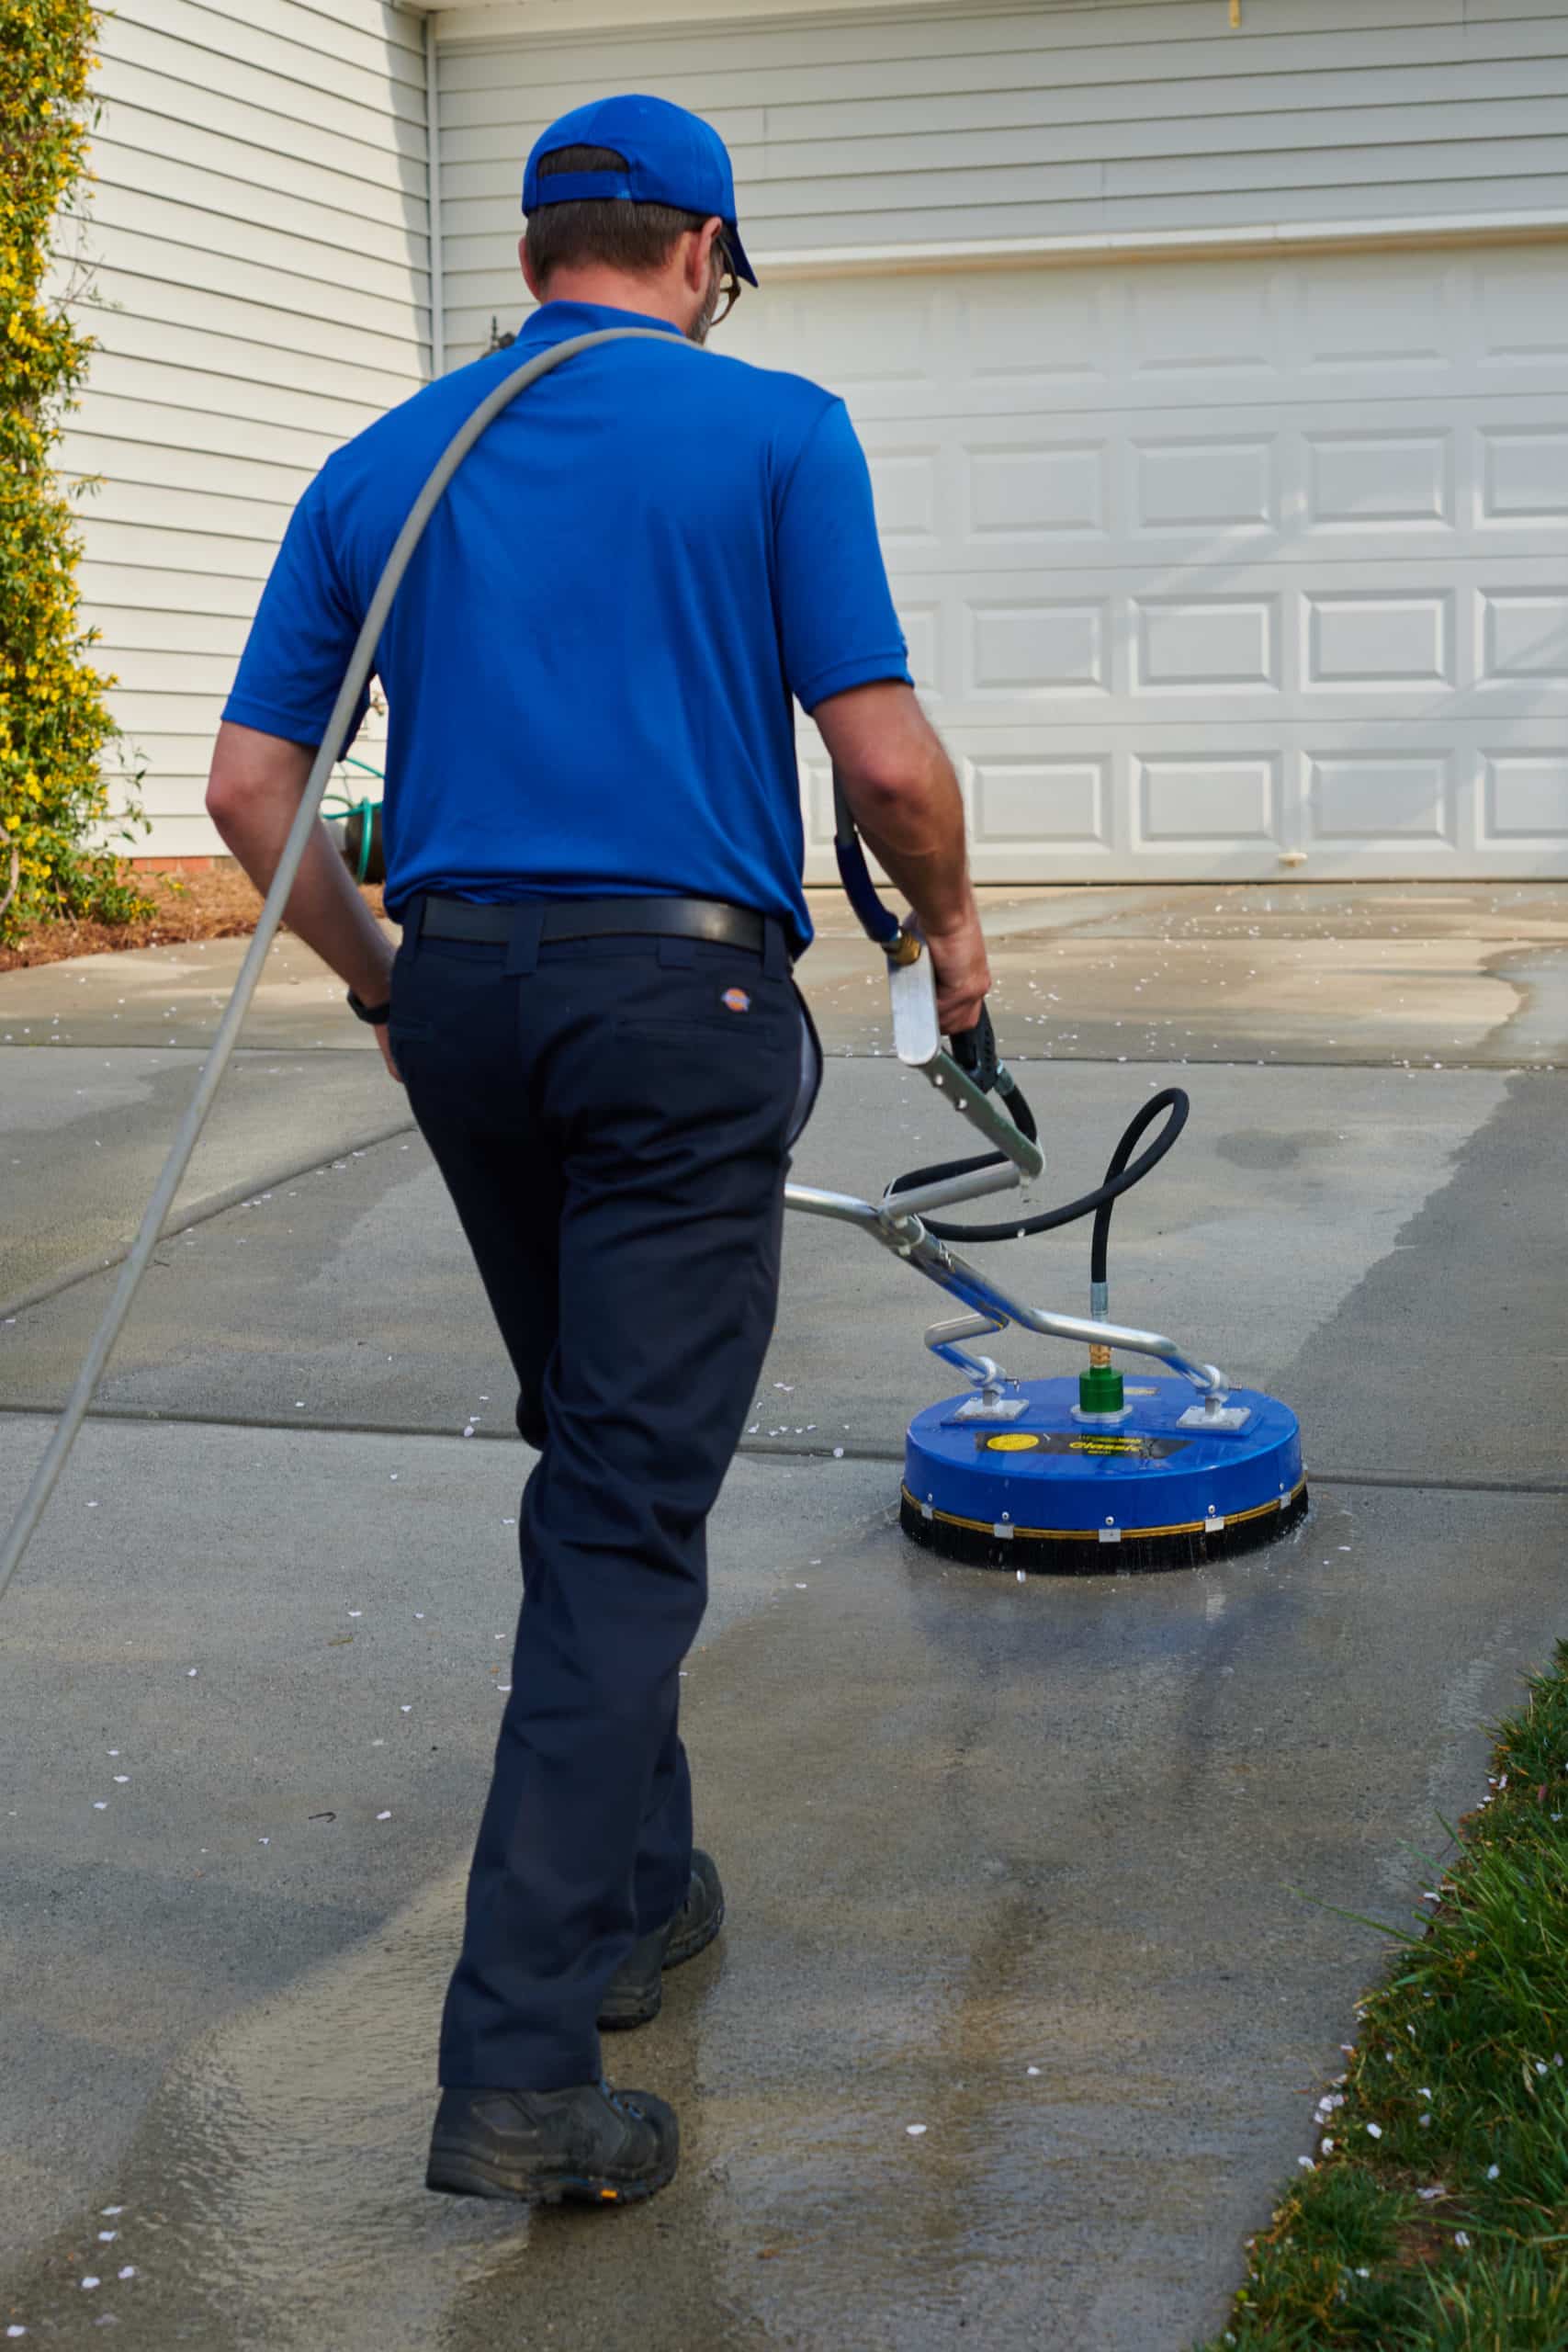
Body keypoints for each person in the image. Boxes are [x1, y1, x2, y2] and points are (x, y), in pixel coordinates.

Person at [206, 92, 989, 2209]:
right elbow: (888, 762)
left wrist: (386, 985)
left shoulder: (386, 457)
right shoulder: (773, 432)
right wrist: (959, 926)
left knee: (593, 1446)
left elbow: (251, 793)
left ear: (540, 246)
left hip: (465, 994)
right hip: (680, 1008)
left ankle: (640, 1889)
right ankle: (519, 2060)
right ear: (703, 250)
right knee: (630, 1506)